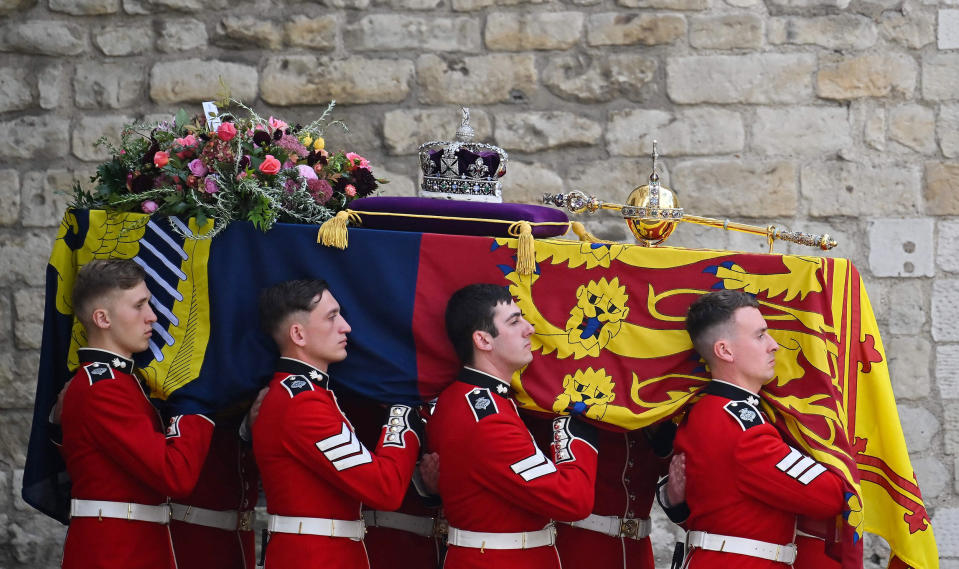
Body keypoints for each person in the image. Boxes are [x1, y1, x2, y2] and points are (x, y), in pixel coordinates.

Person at [252, 279, 424, 569]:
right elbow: (384, 488)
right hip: (314, 558)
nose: (346, 327)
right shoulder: (302, 404)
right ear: (298, 334)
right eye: (332, 317)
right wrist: (401, 413)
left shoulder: (303, 395)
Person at [428, 283, 599, 569]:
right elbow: (573, 500)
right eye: (514, 321)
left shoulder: (460, 400)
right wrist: (576, 429)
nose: (529, 328)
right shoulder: (488, 419)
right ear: (483, 340)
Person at [59, 258, 215, 569]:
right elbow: (174, 474)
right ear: (102, 318)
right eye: (139, 305)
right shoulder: (104, 388)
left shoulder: (122, 382)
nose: (152, 317)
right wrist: (196, 406)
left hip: (134, 546)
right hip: (116, 552)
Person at [672, 290, 845, 568]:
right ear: (725, 350)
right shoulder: (744, 426)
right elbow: (829, 496)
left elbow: (689, 504)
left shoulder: (703, 411)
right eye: (760, 335)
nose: (774, 345)